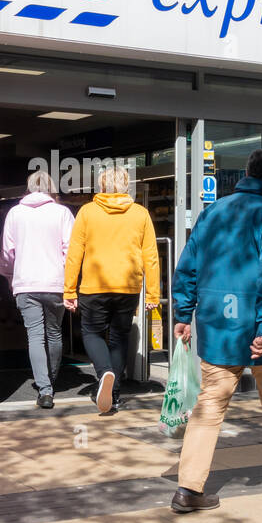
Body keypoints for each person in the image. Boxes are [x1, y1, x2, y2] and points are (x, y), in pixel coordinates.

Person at [169, 149, 262, 514]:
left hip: (217, 327)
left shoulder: (213, 212)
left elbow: (188, 264)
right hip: (261, 329)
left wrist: (182, 312)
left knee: (209, 406)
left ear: (247, 174)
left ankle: (188, 488)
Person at [63, 164, 159, 414]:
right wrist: (153, 294)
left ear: (102, 186)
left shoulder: (87, 212)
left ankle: (103, 371)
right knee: (119, 339)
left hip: (94, 285)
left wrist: (69, 290)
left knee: (92, 333)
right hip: (127, 286)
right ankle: (114, 396)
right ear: (126, 186)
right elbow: (151, 255)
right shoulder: (140, 214)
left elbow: (75, 254)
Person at [0, 171, 75, 409]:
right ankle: (50, 382)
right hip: (55, 284)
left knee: (34, 335)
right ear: (52, 188)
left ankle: (44, 389)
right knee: (54, 333)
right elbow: (70, 251)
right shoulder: (62, 213)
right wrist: (69, 281)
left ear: (28, 188)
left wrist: (9, 274)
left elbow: (7, 252)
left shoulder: (15, 213)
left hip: (26, 283)